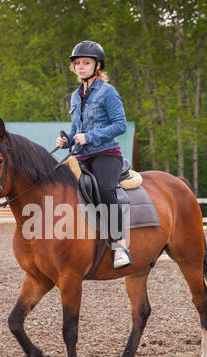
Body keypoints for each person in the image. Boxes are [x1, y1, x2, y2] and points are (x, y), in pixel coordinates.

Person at [56, 40, 132, 268]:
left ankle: (120, 246)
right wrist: (67, 139)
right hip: (80, 155)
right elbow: (74, 129)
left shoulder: (108, 92)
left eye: (85, 63)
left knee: (106, 190)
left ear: (97, 66)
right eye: (77, 63)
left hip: (105, 153)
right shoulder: (75, 96)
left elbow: (120, 125)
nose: (80, 66)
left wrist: (89, 137)